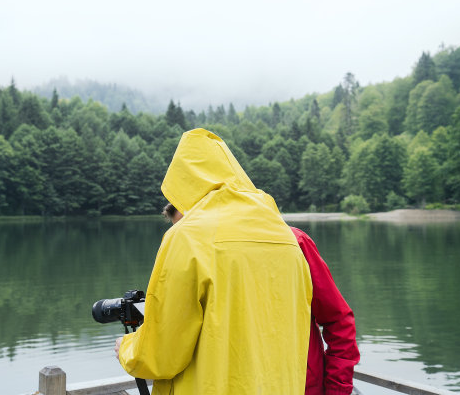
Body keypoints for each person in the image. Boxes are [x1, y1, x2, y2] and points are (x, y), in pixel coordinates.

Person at [114, 128, 313, 394]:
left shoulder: (186, 237)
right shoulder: (286, 239)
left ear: (184, 199)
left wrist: (127, 348)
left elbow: (161, 355)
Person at [160, 203, 360, 394]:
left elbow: (338, 320)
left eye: (190, 227)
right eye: (179, 231)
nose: (185, 238)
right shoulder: (191, 258)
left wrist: (337, 390)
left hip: (301, 387)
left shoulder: (294, 242)